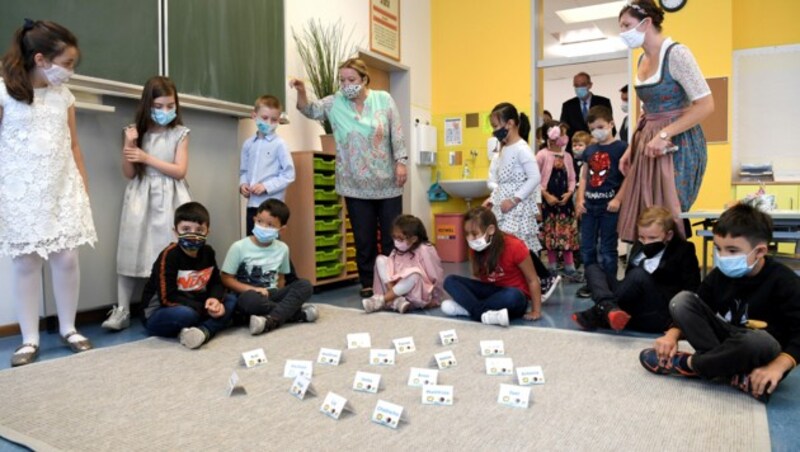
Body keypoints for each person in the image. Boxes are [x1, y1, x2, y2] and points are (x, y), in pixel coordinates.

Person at [1, 20, 97, 366]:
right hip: (20, 191)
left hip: (62, 188)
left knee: (67, 257)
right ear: (41, 59)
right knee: (26, 263)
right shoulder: (4, 93)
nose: (70, 71)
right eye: (67, 64)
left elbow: (73, 144)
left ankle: (69, 328)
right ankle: (29, 338)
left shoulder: (63, 97)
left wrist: (82, 186)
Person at [639, 204, 800, 403]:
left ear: (759, 252)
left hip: (762, 354)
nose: (723, 257)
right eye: (718, 249)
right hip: (726, 342)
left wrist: (778, 366)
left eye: (732, 250)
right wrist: (671, 336)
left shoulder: (785, 282)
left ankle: (689, 364)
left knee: (757, 340)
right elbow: (697, 305)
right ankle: (731, 373)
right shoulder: (719, 275)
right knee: (681, 301)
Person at [291, 58, 407, 299]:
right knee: (363, 238)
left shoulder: (383, 99)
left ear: (364, 79)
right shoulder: (335, 102)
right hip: (354, 183)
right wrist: (301, 91)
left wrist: (401, 162)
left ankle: (393, 281)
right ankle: (367, 282)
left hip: (387, 182)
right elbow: (309, 109)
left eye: (351, 80)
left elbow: (396, 132)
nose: (346, 84)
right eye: (342, 80)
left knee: (391, 238)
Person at [616, 0, 714, 242]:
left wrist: (664, 135)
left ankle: (675, 269)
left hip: (677, 143)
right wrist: (632, 148)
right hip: (647, 141)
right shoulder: (641, 60)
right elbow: (646, 111)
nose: (623, 32)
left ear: (646, 23)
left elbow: (706, 105)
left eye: (626, 25)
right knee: (648, 213)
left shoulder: (677, 54)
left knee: (669, 212)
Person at [103, 76, 192, 331]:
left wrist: (146, 156)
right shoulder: (134, 132)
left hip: (172, 196)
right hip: (140, 196)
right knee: (131, 248)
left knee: (171, 249)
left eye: (170, 105)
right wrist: (130, 145)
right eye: (159, 106)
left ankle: (173, 302)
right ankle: (122, 310)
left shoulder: (180, 133)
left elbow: (179, 171)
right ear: (148, 105)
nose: (165, 111)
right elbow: (129, 173)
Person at [572, 206, 700, 332]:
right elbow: (628, 284)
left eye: (652, 238)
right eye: (641, 237)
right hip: (633, 308)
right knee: (593, 268)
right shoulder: (639, 246)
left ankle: (600, 311)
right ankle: (609, 308)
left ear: (669, 235)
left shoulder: (683, 250)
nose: (646, 242)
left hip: (659, 312)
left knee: (638, 275)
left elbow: (692, 291)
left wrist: (678, 324)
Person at [483, 102, 561, 301]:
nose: (494, 130)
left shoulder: (521, 149)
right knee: (509, 245)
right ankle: (527, 281)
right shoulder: (502, 149)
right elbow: (500, 182)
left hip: (516, 205)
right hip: (503, 203)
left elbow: (534, 178)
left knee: (517, 244)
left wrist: (515, 199)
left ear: (510, 124)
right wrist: (492, 199)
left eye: (496, 125)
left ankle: (545, 278)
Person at [141, 202, 232, 349]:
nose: (193, 234)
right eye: (186, 229)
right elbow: (167, 297)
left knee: (231, 300)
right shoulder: (168, 256)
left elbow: (216, 282)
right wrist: (205, 308)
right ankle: (210, 324)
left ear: (207, 232)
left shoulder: (208, 252)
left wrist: (214, 300)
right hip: (160, 313)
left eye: (200, 230)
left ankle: (202, 332)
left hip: (197, 304)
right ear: (176, 232)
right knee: (187, 315)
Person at [221, 199, 316, 336]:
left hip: (271, 294)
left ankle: (270, 319)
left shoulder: (283, 248)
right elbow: (226, 278)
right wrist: (254, 289)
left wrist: (278, 295)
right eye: (260, 221)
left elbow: (282, 278)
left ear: (281, 229)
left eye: (270, 225)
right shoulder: (239, 247)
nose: (263, 227)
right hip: (247, 294)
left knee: (305, 285)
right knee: (250, 301)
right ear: (254, 219)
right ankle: (296, 314)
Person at [441, 207, 543, 325]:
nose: (470, 239)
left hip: (513, 296)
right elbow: (478, 278)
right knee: (450, 280)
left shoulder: (515, 246)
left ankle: (470, 310)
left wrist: (536, 311)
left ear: (490, 230)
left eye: (474, 234)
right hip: (491, 292)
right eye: (467, 234)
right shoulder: (476, 247)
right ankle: (483, 313)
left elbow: (533, 280)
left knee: (513, 296)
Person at [575, 106, 626, 282]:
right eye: (592, 129)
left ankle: (610, 285)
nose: (596, 132)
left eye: (600, 127)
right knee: (587, 248)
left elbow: (630, 177)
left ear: (611, 124)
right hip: (589, 207)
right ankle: (592, 284)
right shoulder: (589, 150)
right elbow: (584, 177)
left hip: (609, 208)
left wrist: (618, 199)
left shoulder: (621, 148)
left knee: (607, 249)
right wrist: (580, 199)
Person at [362, 214, 444, 314]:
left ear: (414, 239)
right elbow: (391, 271)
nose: (396, 242)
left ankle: (383, 299)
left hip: (417, 293)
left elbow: (436, 275)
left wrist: (435, 299)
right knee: (380, 260)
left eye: (400, 239)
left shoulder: (425, 250)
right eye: (394, 237)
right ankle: (396, 300)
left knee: (414, 274)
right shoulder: (398, 250)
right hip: (399, 289)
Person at [239, 94, 295, 236]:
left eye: (274, 120)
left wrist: (266, 186)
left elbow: (289, 174)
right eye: (264, 118)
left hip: (272, 207)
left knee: (271, 244)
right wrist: (243, 185)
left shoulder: (280, 144)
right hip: (253, 205)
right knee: (252, 242)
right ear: (254, 116)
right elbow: (243, 171)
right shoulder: (248, 144)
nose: (269, 123)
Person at [536, 122, 579, 279]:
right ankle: (552, 268)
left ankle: (570, 268)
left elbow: (573, 179)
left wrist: (569, 193)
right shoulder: (542, 155)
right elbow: (534, 179)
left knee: (566, 235)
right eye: (562, 134)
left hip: (565, 204)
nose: (565, 138)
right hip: (549, 205)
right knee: (550, 236)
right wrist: (546, 196)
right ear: (552, 136)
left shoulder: (567, 156)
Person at [559, 72, 614, 164]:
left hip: (599, 148)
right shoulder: (568, 105)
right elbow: (564, 128)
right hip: (576, 152)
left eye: (583, 85)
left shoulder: (603, 102)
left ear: (590, 85)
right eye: (576, 85)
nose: (579, 88)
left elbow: (609, 126)